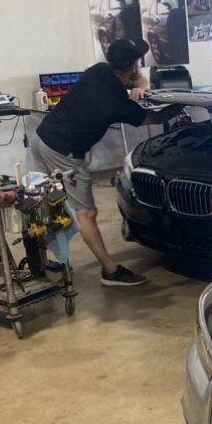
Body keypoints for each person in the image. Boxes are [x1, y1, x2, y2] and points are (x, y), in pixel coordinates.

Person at [31, 38, 176, 286]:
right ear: (133, 65)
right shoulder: (115, 104)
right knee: (86, 212)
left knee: (43, 204)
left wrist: (139, 87)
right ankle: (110, 270)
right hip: (63, 152)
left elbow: (134, 82)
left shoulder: (98, 72)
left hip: (41, 137)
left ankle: (40, 263)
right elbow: (153, 117)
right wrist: (180, 105)